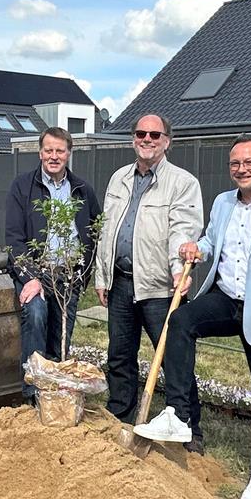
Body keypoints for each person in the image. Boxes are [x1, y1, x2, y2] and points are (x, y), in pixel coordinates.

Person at [135, 135, 251, 499]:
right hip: (225, 299)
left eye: (250, 162)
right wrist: (195, 249)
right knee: (181, 321)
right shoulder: (222, 203)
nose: (242, 170)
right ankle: (180, 416)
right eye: (235, 163)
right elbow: (211, 241)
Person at [93, 114, 203, 432]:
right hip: (121, 283)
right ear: (133, 138)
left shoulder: (182, 183)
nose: (147, 139)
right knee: (119, 354)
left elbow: (183, 231)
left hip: (160, 288)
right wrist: (102, 277)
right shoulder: (119, 179)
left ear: (167, 141)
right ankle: (120, 415)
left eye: (155, 135)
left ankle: (187, 424)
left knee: (173, 359)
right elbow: (108, 229)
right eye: (141, 133)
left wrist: (177, 270)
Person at [4, 127, 101, 401]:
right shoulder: (22, 187)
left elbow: (94, 233)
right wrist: (31, 277)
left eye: (60, 150)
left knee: (61, 335)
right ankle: (33, 394)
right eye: (49, 150)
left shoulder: (82, 190)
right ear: (40, 152)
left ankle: (55, 397)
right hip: (35, 274)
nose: (54, 156)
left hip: (68, 276)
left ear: (69, 153)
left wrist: (81, 275)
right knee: (35, 315)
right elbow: (14, 239)